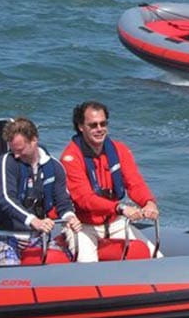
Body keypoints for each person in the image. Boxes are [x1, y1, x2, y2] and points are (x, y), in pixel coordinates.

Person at [60, 101, 161, 263]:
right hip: (84, 226)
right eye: (93, 125)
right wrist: (120, 208)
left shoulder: (119, 150)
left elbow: (134, 183)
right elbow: (85, 199)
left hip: (115, 222)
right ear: (81, 127)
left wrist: (149, 203)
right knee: (88, 267)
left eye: (103, 123)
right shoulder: (70, 158)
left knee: (157, 258)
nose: (99, 129)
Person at [0, 117, 82, 266]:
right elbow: (6, 198)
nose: (16, 155)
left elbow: (63, 202)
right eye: (13, 150)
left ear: (34, 140)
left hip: (37, 237)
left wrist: (70, 218)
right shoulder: (6, 162)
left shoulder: (54, 167)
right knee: (8, 266)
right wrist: (33, 221)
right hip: (5, 235)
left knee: (66, 260)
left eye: (20, 150)